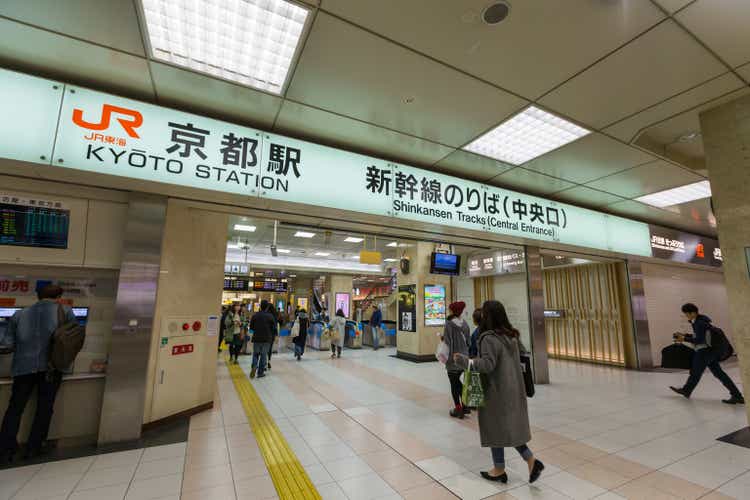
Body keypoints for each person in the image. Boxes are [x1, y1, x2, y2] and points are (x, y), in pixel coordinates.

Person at [453, 300, 544, 485]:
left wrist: (464, 361)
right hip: (513, 389)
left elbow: (487, 365)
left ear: (488, 316)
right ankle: (529, 461)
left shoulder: (489, 338)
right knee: (507, 428)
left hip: (495, 391)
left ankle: (500, 469)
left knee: (495, 428)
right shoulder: (512, 336)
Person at [0, 285, 76, 462]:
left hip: (23, 369)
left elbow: (7, 345)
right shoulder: (65, 312)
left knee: (15, 408)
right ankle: (34, 447)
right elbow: (73, 340)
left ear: (38, 296)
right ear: (59, 297)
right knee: (44, 407)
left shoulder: (20, 314)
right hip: (52, 368)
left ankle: (6, 449)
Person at [670, 303, 744, 405]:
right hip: (711, 351)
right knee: (719, 374)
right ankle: (737, 396)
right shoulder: (701, 321)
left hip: (705, 352)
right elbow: (700, 335)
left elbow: (699, 340)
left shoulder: (699, 323)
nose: (686, 316)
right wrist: (685, 335)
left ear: (693, 313)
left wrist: (684, 339)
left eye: (687, 314)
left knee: (696, 372)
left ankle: (686, 390)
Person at [443, 301, 471, 419]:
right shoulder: (465, 324)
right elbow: (469, 342)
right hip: (464, 358)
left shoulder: (449, 324)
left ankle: (458, 408)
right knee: (459, 382)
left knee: (454, 384)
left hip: (453, 358)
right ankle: (465, 405)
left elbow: (448, 342)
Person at [249, 300, 275, 379]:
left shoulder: (255, 315)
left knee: (256, 353)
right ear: (267, 307)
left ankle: (254, 366)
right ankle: (260, 373)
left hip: (256, 338)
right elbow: (273, 328)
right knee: (263, 355)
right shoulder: (270, 316)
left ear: (260, 306)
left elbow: (251, 327)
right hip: (266, 338)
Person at [267, 306, 281, 370]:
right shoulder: (274, 316)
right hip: (271, 335)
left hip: (265, 334)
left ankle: (263, 362)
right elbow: (275, 326)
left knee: (264, 349)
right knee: (269, 348)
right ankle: (268, 361)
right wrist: (276, 335)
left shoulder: (266, 315)